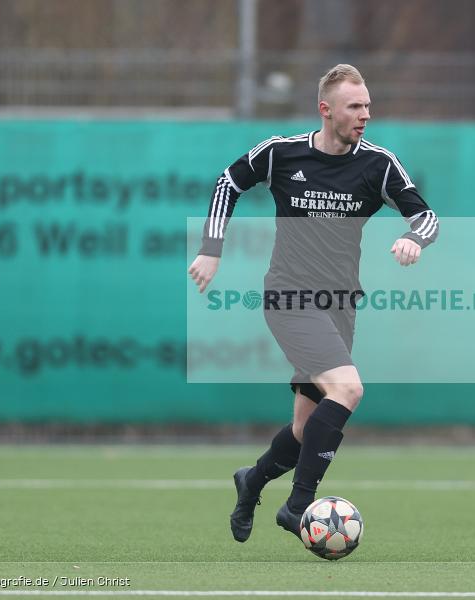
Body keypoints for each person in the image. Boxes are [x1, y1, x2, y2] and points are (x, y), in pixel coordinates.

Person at [188, 64, 438, 542]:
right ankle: (299, 506)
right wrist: (211, 248)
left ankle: (252, 480)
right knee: (349, 390)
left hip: (340, 304)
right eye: (354, 106)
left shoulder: (379, 164)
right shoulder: (281, 153)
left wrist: (414, 238)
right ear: (326, 109)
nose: (365, 115)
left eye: (367, 106)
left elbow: (426, 217)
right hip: (289, 295)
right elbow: (228, 182)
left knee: (305, 429)